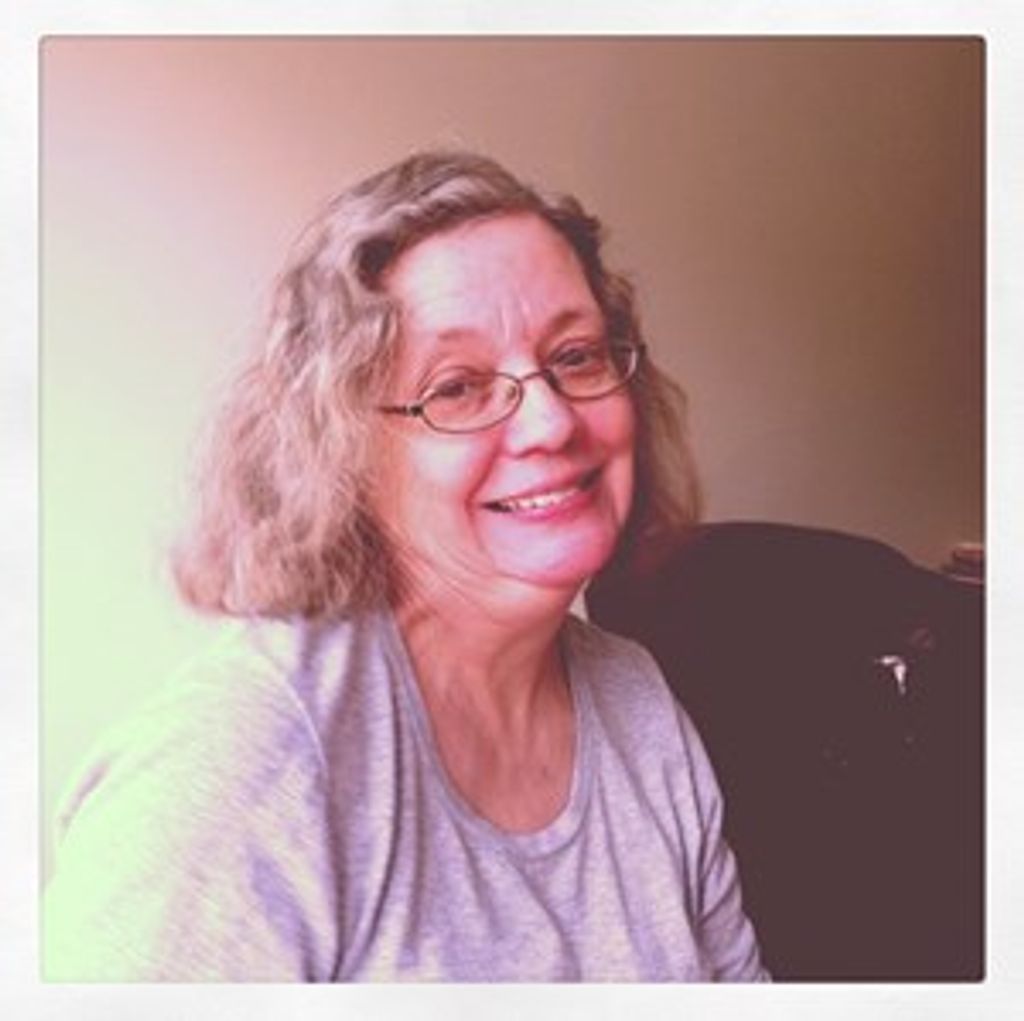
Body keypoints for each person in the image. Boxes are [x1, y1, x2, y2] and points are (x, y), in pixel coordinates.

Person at [44, 151, 767, 982]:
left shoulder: (637, 701)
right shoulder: (240, 765)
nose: (551, 422)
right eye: (457, 386)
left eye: (576, 356)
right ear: (344, 449)